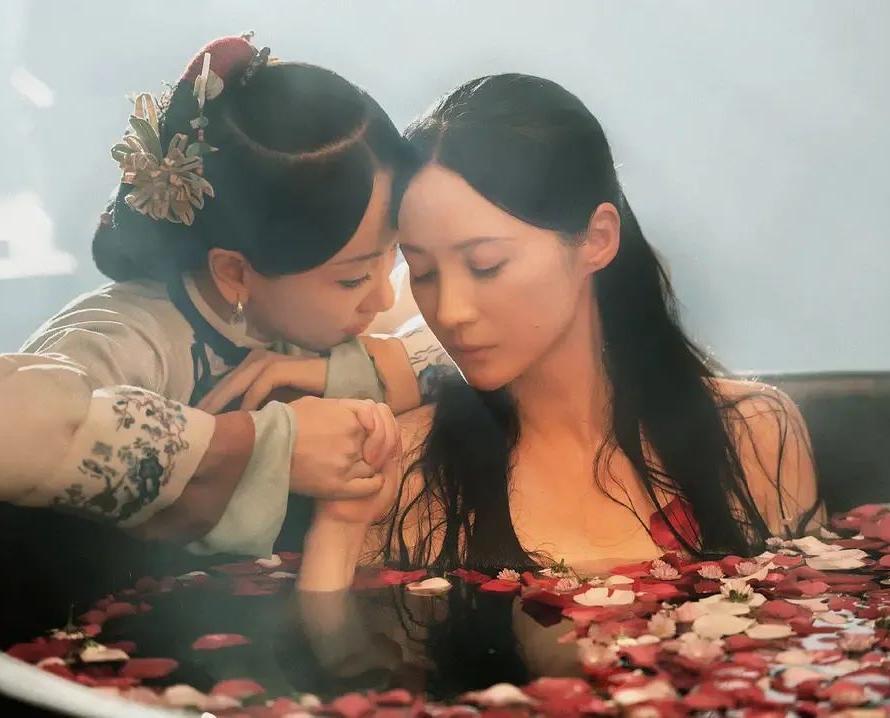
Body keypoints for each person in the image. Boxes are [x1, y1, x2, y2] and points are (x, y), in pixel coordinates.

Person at [0, 34, 457, 558]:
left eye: (392, 256)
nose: (382, 297)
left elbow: (474, 342)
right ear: (234, 271)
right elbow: (0, 429)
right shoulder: (131, 338)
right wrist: (266, 443)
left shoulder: (307, 312)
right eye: (353, 279)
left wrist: (334, 372)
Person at [299, 73, 824, 589]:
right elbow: (342, 642)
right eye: (424, 272)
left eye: (486, 265)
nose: (451, 311)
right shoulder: (404, 469)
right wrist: (340, 531)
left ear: (597, 239)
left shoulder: (757, 434)